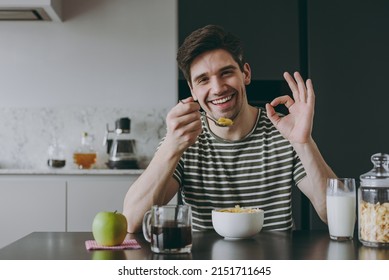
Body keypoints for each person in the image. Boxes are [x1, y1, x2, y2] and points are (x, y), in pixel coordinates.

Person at [123, 24, 336, 232]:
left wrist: (304, 143)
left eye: (226, 73)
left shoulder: (284, 130)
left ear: (246, 73)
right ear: (192, 90)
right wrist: (171, 146)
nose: (217, 88)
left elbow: (334, 216)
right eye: (203, 79)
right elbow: (132, 221)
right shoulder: (183, 139)